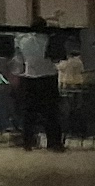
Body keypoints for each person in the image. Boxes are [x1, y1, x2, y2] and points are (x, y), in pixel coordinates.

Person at [11, 21, 61, 151]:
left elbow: (19, 60)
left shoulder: (21, 39)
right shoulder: (50, 38)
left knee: (29, 113)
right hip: (48, 77)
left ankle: (28, 142)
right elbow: (57, 58)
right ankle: (54, 143)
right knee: (51, 113)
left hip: (29, 77)